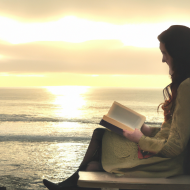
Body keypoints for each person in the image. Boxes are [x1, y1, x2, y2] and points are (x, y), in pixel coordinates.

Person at [43, 25, 190, 190]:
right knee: (101, 139)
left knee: (101, 138)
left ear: (178, 54)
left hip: (168, 162)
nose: (163, 59)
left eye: (164, 53)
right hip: (167, 155)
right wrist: (149, 131)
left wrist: (139, 139)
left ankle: (74, 183)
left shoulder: (186, 86)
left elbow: (174, 146)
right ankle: (76, 181)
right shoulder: (185, 84)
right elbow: (177, 130)